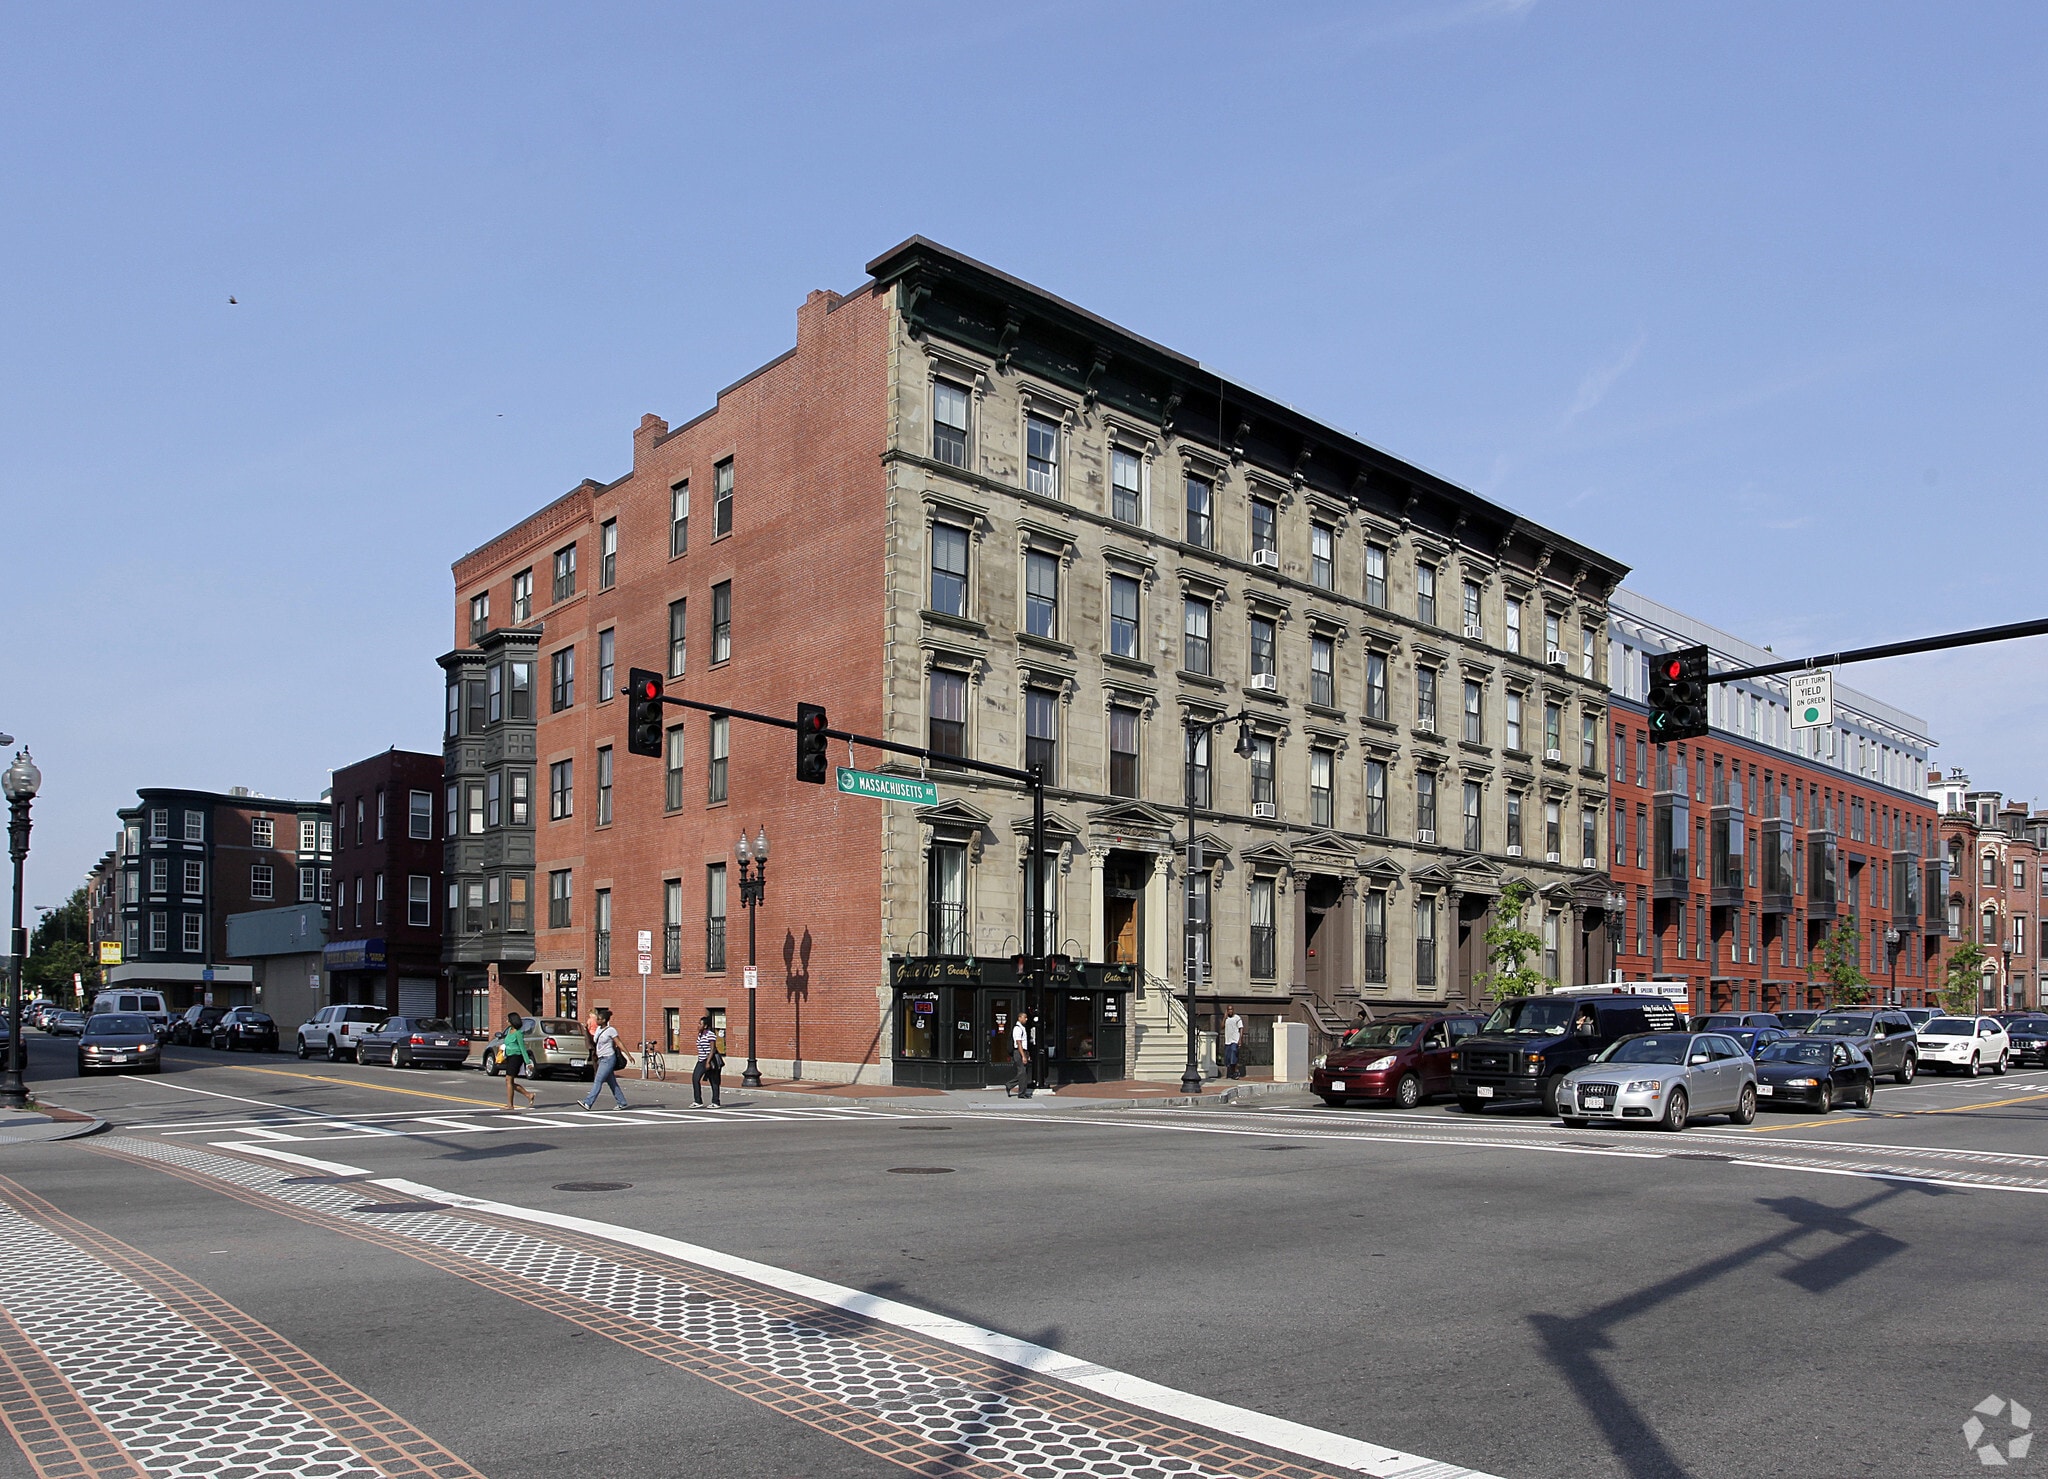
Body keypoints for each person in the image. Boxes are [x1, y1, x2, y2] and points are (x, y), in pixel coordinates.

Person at [579, 1006, 630, 1110]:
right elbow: (593, 1041)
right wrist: (586, 1030)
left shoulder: (611, 1030)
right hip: (601, 1058)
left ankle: (588, 1102)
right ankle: (622, 1102)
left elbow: (619, 1042)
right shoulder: (598, 1029)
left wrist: (628, 1055)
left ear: (604, 1020)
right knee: (612, 1082)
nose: (597, 1020)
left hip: (608, 1058)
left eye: (599, 1019)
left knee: (598, 1080)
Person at [500, 1011, 538, 1110]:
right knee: (509, 1081)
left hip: (516, 1057)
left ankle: (510, 1105)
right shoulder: (509, 1030)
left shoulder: (518, 1033)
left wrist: (528, 1062)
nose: (507, 1021)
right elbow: (507, 1043)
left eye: (508, 1020)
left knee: (508, 1080)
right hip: (509, 1056)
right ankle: (528, 1095)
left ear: (512, 1021)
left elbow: (522, 1048)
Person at [692, 1014, 723, 1107]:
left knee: (714, 1081)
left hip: (709, 1060)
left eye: (700, 1024)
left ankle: (715, 1102)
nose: (698, 1026)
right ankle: (698, 1101)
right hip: (701, 1060)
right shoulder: (700, 1034)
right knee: (695, 1079)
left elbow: (712, 1049)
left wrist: (708, 1062)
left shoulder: (710, 1035)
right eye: (698, 1024)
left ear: (705, 1026)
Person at [1008, 1009, 1034, 1097]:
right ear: (1019, 1018)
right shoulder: (1017, 1028)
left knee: (1023, 1073)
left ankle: (1010, 1085)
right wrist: (1023, 1056)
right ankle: (1021, 1093)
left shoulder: (1022, 1028)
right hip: (1019, 1052)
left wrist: (1027, 1054)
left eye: (1026, 1017)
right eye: (1024, 1017)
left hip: (1023, 1051)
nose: (1026, 1019)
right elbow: (1018, 1043)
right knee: (1022, 1072)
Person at [1223, 1009, 1246, 1079]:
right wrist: (1224, 1018)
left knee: (1233, 1053)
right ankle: (1231, 1073)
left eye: (1231, 1009)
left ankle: (1236, 1071)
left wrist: (1240, 1039)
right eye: (1228, 1010)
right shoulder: (1226, 1018)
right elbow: (1222, 1027)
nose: (1230, 1011)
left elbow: (1241, 1028)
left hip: (1235, 1040)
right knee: (1228, 1058)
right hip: (1228, 1041)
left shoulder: (1237, 1018)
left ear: (1233, 1010)